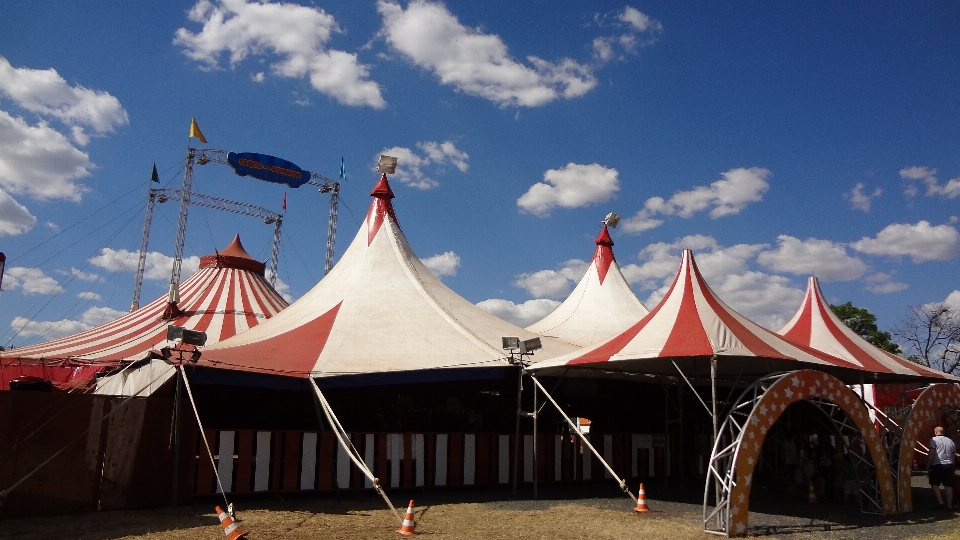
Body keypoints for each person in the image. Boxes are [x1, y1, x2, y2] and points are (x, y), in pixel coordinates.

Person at [927, 426, 957, 509]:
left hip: (937, 464)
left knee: (934, 484)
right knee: (948, 485)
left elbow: (931, 453)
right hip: (949, 465)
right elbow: (953, 454)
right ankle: (949, 505)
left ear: (935, 432)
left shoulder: (933, 440)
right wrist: (953, 464)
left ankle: (940, 501)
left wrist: (928, 464)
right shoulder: (950, 441)